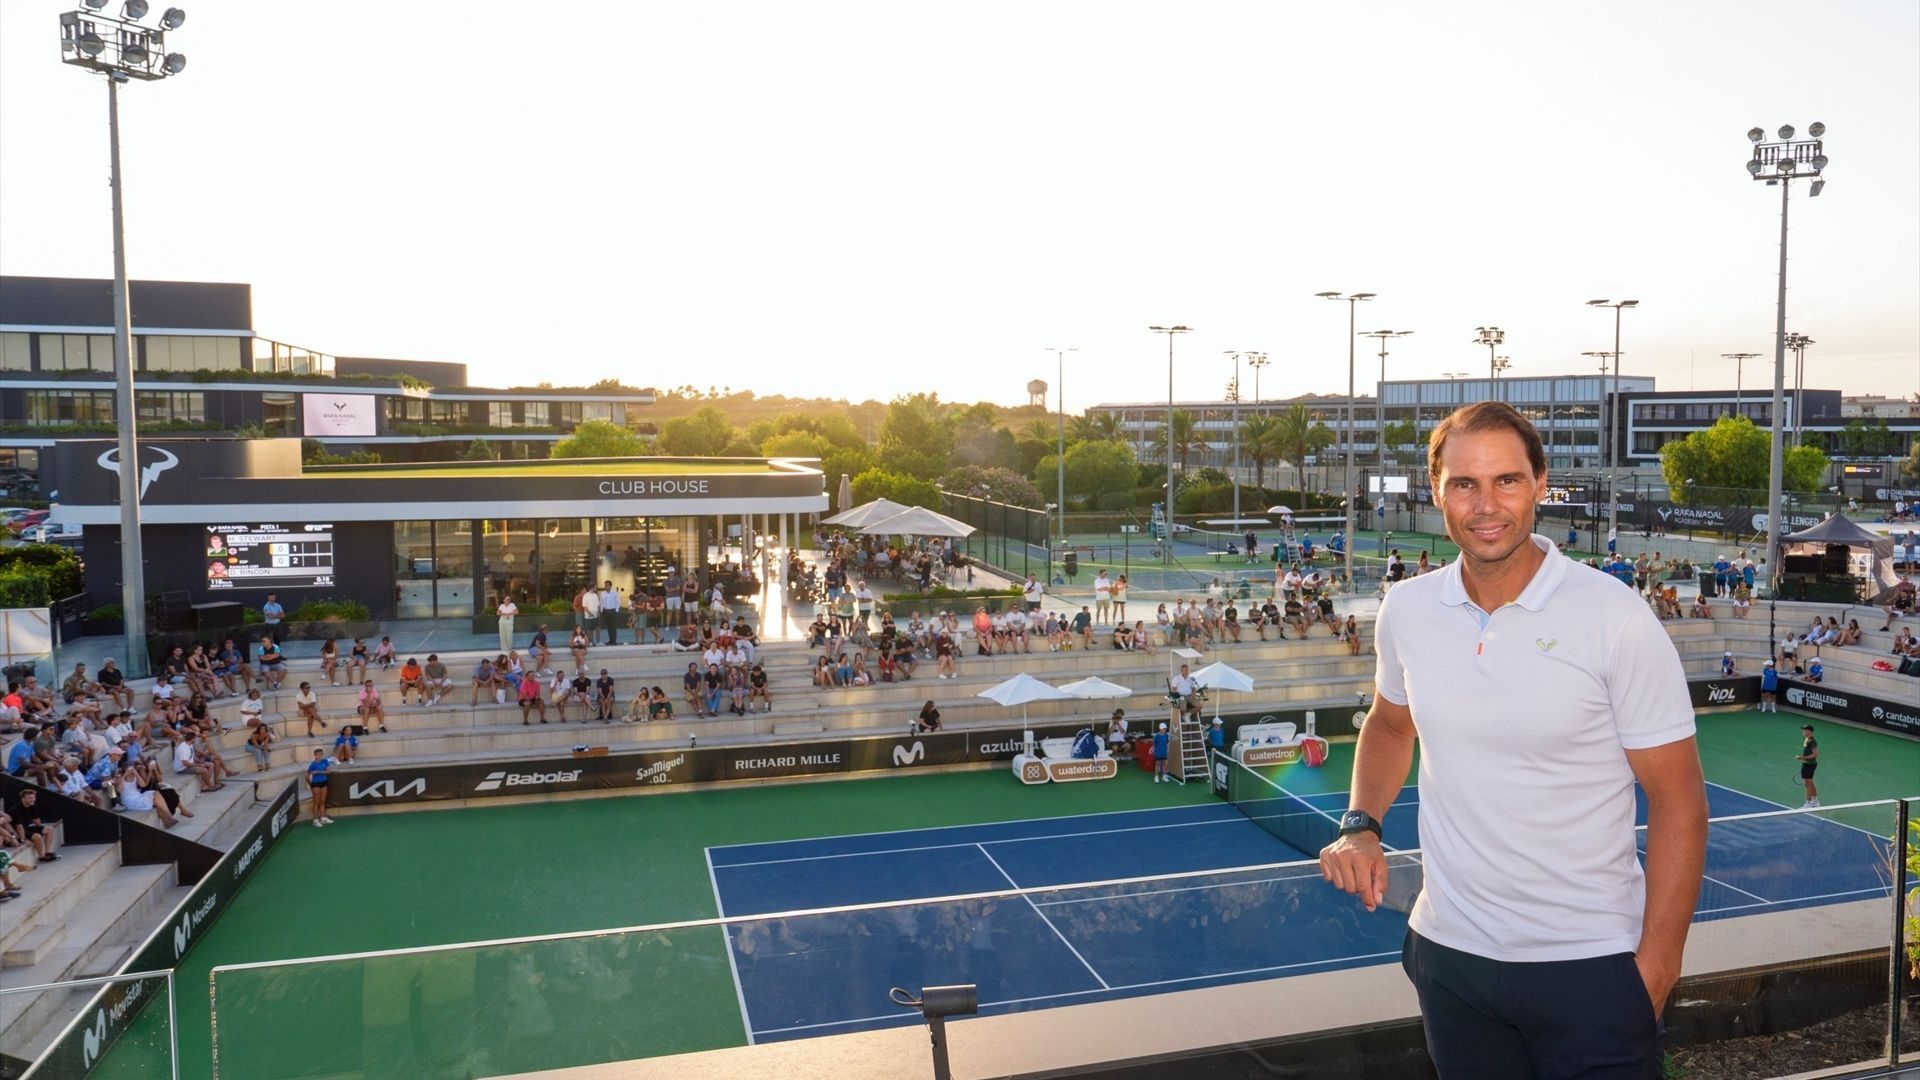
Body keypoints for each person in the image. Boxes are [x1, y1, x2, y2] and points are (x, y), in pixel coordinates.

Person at [1318, 400, 1705, 1078]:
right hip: (1452, 963)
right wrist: (1360, 824)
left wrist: (1655, 971)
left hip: (1590, 970)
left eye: (1507, 480)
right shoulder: (1407, 608)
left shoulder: (1613, 616)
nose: (1486, 504)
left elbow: (1680, 804)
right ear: (1436, 489)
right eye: (1464, 483)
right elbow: (1388, 723)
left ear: (1539, 483)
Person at [305, 748, 336, 827]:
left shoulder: (325, 761)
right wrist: (311, 784)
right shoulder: (312, 765)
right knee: (316, 802)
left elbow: (329, 771)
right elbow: (307, 776)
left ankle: (323, 818)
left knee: (323, 801)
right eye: (317, 755)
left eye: (320, 754)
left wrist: (318, 772)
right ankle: (315, 820)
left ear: (322, 755)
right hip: (316, 784)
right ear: (315, 755)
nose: (319, 756)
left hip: (324, 782)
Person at [1795, 724, 1820, 808]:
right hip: (1806, 763)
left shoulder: (1812, 741)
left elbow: (1815, 755)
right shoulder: (1806, 739)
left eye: (1805, 730)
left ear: (1809, 731)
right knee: (1809, 783)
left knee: (1808, 784)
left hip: (1810, 765)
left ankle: (1808, 803)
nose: (1803, 731)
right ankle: (1815, 801)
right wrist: (1804, 759)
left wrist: (1802, 757)